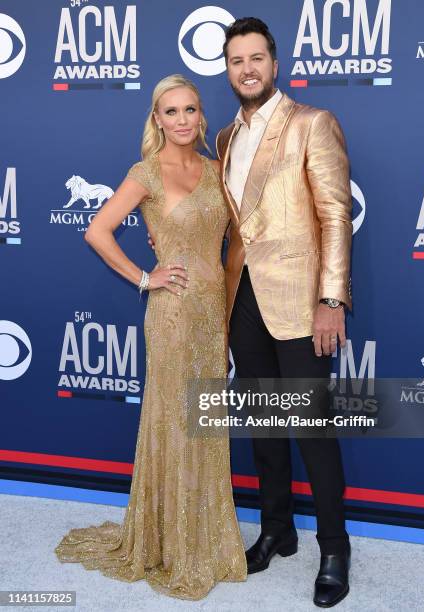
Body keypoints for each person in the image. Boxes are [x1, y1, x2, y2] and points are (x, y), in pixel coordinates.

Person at [54, 74, 247, 600]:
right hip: (172, 314)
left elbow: (233, 247)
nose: (182, 120)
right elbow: (97, 229)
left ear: (200, 116)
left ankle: (203, 537)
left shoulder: (215, 170)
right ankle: (168, 542)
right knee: (172, 420)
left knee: (204, 421)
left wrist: (229, 306)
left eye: (190, 110)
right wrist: (145, 277)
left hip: (211, 314)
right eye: (171, 112)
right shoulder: (147, 172)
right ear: (156, 119)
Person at [216, 18, 353, 608]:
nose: (246, 69)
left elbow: (334, 217)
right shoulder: (223, 138)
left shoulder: (312, 124)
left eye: (255, 58)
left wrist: (331, 299)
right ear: (228, 70)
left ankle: (334, 548)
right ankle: (277, 529)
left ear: (274, 64)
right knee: (266, 428)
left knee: (313, 431)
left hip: (300, 301)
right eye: (235, 61)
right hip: (242, 297)